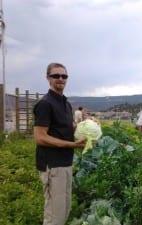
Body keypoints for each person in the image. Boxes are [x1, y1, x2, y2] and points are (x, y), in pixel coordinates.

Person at [33, 63, 86, 225]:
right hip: (53, 165)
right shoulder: (45, 104)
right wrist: (72, 145)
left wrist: (87, 125)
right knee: (54, 216)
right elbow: (40, 137)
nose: (60, 79)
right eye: (56, 76)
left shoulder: (65, 103)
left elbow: (68, 127)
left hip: (66, 163)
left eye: (64, 76)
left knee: (64, 211)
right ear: (48, 78)